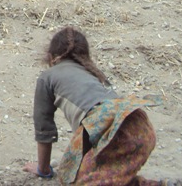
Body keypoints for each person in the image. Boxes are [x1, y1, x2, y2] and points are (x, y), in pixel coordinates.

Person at [23, 26, 162, 184]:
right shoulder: (93, 74)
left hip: (106, 125)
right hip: (140, 126)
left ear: (51, 56)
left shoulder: (47, 77)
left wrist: (43, 169)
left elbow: (44, 130)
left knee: (73, 178)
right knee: (107, 174)